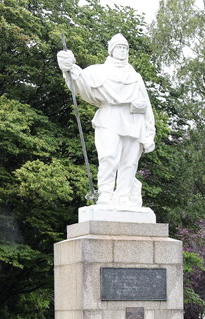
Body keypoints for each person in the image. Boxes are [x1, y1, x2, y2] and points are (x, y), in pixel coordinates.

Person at [57, 34, 155, 208]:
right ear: (111, 50)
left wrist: (149, 133)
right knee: (108, 157)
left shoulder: (135, 76)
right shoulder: (99, 71)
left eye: (125, 48)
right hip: (109, 117)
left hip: (133, 120)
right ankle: (106, 194)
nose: (122, 51)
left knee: (129, 162)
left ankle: (124, 196)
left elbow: (146, 105)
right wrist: (68, 68)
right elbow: (79, 81)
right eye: (119, 47)